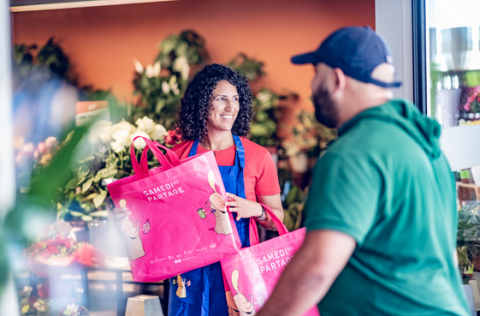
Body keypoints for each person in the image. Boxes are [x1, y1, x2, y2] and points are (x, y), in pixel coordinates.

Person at [256, 26, 470, 316]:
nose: (312, 86)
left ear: (336, 78)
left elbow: (316, 267)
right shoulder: (423, 145)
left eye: (315, 74)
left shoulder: (353, 153)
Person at [115, 63, 283, 316]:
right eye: (221, 99)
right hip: (188, 274)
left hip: (237, 273)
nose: (231, 107)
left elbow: (278, 218)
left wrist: (257, 209)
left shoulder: (257, 156)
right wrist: (131, 220)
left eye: (236, 99)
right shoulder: (177, 156)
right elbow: (161, 221)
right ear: (203, 103)